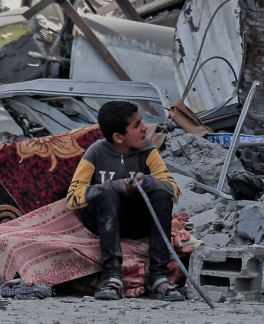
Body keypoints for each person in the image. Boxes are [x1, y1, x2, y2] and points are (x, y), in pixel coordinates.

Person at [66, 100, 185, 301]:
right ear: (118, 137)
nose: (144, 128)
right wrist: (113, 186)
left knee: (161, 194)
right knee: (109, 195)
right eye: (137, 125)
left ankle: (159, 277)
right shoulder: (96, 152)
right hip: (103, 221)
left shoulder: (148, 151)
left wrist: (148, 182)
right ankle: (112, 276)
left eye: (141, 122)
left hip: (137, 223)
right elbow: (73, 198)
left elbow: (174, 191)